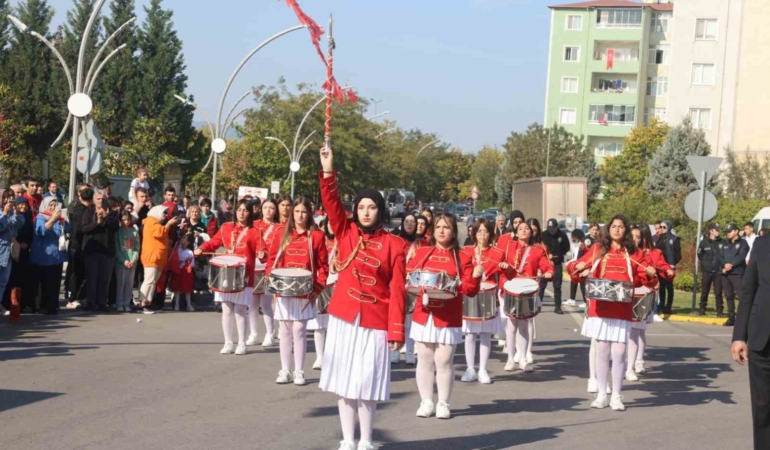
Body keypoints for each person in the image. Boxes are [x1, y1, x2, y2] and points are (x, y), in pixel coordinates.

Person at [318, 144, 407, 450]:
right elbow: (330, 202)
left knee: (367, 383)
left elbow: (397, 291)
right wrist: (328, 169)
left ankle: (367, 440)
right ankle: (347, 440)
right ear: (354, 210)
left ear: (380, 210)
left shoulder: (395, 244)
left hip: (376, 321)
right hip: (345, 318)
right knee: (345, 382)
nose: (365, 212)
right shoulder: (345, 232)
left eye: (371, 207)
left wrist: (396, 330)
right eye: (361, 207)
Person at [567, 215, 652, 411]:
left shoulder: (634, 253)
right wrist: (578, 267)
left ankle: (616, 395)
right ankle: (602, 393)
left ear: (626, 230)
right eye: (613, 226)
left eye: (621, 227)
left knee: (620, 352)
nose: (617, 230)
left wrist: (649, 274)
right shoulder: (598, 249)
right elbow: (575, 267)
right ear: (608, 229)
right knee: (602, 350)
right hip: (600, 307)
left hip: (622, 308)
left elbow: (643, 279)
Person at [408, 213, 482, 419]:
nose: (442, 230)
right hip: (424, 313)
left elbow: (469, 290)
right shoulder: (423, 252)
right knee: (424, 358)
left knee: (444, 359)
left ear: (453, 231)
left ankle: (443, 402)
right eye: (438, 226)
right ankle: (426, 401)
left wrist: (476, 276)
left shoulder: (463, 256)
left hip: (448, 315)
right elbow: (410, 277)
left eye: (446, 227)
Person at [266, 196, 328, 385]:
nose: (300, 215)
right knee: (285, 331)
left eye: (304, 212)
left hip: (305, 291)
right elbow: (272, 260)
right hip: (284, 290)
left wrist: (317, 289)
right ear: (292, 213)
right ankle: (285, 370)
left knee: (300, 330)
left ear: (309, 214)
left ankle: (299, 371)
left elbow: (323, 266)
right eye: (297, 211)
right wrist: (272, 279)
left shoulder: (316, 236)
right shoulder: (281, 232)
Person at [196, 200, 264, 355]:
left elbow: (263, 248)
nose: (241, 213)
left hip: (244, 274)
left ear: (250, 213)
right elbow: (214, 242)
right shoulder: (226, 227)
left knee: (240, 310)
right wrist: (201, 248)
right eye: (239, 209)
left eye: (245, 210)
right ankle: (228, 342)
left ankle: (241, 343)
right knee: (226, 309)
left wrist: (262, 254)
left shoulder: (255, 231)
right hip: (226, 272)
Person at [731, 234, 770, 450]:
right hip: (763, 339)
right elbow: (748, 291)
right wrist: (739, 336)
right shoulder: (762, 243)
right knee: (762, 407)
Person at [500, 220, 554, 372]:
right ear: (516, 232)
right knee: (511, 326)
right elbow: (499, 260)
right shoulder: (509, 246)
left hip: (527, 290)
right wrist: (502, 265)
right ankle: (510, 358)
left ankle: (523, 358)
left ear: (531, 233)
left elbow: (545, 265)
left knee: (524, 326)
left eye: (527, 228)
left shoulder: (537, 250)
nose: (523, 230)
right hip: (511, 288)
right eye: (520, 228)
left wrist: (549, 272)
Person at [626, 224, 674, 381]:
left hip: (644, 294)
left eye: (639, 236)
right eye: (633, 236)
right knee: (628, 331)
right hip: (625, 294)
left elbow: (661, 268)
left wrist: (664, 272)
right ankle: (629, 361)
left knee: (638, 330)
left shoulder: (652, 253)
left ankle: (636, 362)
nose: (636, 239)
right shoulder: (624, 252)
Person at [460, 219, 504, 384]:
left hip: (489, 295)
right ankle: (470, 368)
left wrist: (505, 267)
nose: (482, 234)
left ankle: (483, 369)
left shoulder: (497, 253)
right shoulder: (466, 251)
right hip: (472, 295)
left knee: (486, 334)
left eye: (486, 231)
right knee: (470, 334)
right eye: (479, 231)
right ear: (474, 233)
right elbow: (462, 272)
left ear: (491, 234)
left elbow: (509, 273)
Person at [390, 213, 424, 365]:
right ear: (402, 223)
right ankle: (394, 352)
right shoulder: (395, 241)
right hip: (395, 283)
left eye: (413, 222)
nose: (410, 224)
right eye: (407, 221)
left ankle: (410, 353)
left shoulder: (422, 243)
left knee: (410, 321)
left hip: (413, 285)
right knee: (397, 318)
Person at [250, 198, 281, 347]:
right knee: (252, 302)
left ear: (275, 210)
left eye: (271, 208)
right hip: (253, 267)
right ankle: (253, 333)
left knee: (266, 302)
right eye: (266, 207)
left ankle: (270, 333)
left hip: (269, 267)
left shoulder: (279, 228)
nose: (268, 210)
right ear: (261, 209)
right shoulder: (254, 225)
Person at [30, 197, 69, 314]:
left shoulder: (59, 218)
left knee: (54, 283)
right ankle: (41, 307)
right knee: (44, 284)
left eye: (54, 205)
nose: (52, 207)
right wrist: (52, 219)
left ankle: (53, 306)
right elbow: (41, 231)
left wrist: (62, 222)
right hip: (43, 257)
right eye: (50, 205)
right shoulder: (40, 217)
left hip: (56, 258)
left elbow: (69, 228)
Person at [82, 197, 119, 312]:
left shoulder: (112, 213)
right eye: (97, 199)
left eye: (102, 199)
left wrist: (106, 217)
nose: (100, 201)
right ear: (93, 200)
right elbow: (84, 229)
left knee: (105, 279)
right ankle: (91, 302)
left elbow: (115, 227)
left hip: (107, 251)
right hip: (93, 250)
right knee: (92, 278)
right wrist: (97, 222)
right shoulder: (88, 212)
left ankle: (102, 302)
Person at [139, 205, 177, 314]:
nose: (165, 216)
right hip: (152, 257)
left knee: (153, 281)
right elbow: (159, 233)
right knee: (149, 280)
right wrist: (168, 225)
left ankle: (148, 302)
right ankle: (142, 302)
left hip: (158, 258)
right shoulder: (151, 221)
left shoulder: (156, 223)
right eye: (164, 213)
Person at [309, 218, 336, 369]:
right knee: (319, 323)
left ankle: (332, 357)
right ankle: (319, 357)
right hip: (322, 284)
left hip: (338, 285)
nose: (332, 226)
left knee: (334, 324)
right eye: (329, 223)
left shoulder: (344, 241)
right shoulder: (320, 239)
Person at [4, 196, 34, 312]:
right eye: (21, 204)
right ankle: (9, 304)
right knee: (11, 278)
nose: (23, 206)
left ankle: (21, 304)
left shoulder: (28, 216)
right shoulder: (14, 217)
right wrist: (18, 244)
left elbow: (31, 233)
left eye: (25, 204)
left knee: (23, 279)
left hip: (25, 253)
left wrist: (27, 244)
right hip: (13, 251)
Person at [720, 224, 750, 327]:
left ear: (736, 231)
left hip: (737, 273)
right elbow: (720, 256)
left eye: (730, 231)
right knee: (728, 296)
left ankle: (744, 319)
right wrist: (724, 265)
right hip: (725, 273)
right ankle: (731, 318)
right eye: (727, 231)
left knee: (741, 296)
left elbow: (741, 256)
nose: (728, 233)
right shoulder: (725, 243)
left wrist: (731, 265)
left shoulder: (743, 243)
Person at [0, 190, 24, 315]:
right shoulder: (3, 212)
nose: (6, 200)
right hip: (0, 249)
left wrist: (16, 213)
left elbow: (19, 225)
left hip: (8, 251)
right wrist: (4, 213)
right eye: (3, 197)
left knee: (3, 281)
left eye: (8, 197)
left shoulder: (10, 212)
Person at [542, 218, 570, 314]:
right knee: (542, 285)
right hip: (545, 264)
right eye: (549, 228)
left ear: (556, 227)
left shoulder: (562, 235)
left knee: (557, 286)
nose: (551, 230)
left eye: (553, 228)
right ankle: (538, 305)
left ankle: (557, 307)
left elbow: (567, 247)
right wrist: (547, 255)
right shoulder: (544, 235)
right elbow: (539, 247)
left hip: (557, 263)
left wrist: (559, 254)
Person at [698, 224, 725, 317]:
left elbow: (725, 255)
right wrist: (705, 265)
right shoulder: (704, 243)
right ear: (711, 231)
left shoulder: (722, 242)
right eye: (716, 230)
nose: (718, 231)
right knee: (705, 291)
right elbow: (700, 255)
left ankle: (720, 310)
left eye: (718, 230)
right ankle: (702, 308)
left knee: (718, 292)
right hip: (707, 271)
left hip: (718, 271)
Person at [115, 211, 140, 312]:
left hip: (132, 262)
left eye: (128, 219)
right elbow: (116, 249)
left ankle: (127, 303)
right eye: (124, 219)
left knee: (129, 284)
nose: (126, 221)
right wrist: (123, 260)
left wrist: (133, 259)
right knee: (121, 284)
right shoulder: (118, 233)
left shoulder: (133, 232)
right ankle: (119, 303)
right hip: (121, 263)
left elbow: (136, 248)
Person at [654, 220, 681, 314]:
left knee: (669, 287)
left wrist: (672, 263)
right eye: (660, 227)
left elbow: (678, 254)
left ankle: (668, 306)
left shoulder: (674, 239)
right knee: (661, 286)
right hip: (660, 266)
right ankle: (661, 305)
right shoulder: (659, 238)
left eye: (664, 227)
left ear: (669, 227)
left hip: (669, 266)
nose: (661, 229)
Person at [168, 233, 195, 311]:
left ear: (188, 242)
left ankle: (189, 305)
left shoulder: (189, 252)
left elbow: (192, 264)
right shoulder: (177, 249)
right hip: (177, 271)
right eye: (182, 238)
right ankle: (176, 304)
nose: (182, 240)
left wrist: (186, 262)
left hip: (186, 272)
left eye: (185, 239)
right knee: (177, 289)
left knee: (187, 289)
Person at [566, 229, 588, 307]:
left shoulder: (582, 244)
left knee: (582, 283)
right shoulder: (580, 243)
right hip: (580, 265)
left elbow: (578, 257)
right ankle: (572, 299)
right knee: (574, 280)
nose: (572, 239)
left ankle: (586, 301)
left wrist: (569, 264)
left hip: (582, 265)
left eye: (573, 237)